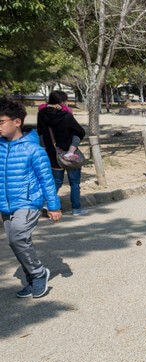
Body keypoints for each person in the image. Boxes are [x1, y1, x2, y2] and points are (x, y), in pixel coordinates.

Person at [0, 97, 62, 298]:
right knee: (14, 241)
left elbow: (47, 180)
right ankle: (32, 278)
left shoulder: (34, 149)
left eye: (1, 122)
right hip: (6, 203)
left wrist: (53, 206)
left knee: (18, 235)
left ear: (17, 122)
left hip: (28, 201)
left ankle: (39, 273)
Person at [37, 90, 86, 214]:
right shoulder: (66, 115)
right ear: (62, 102)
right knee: (74, 183)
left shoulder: (41, 114)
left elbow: (41, 133)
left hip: (53, 153)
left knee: (56, 182)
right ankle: (76, 209)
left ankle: (47, 204)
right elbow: (80, 131)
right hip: (69, 155)